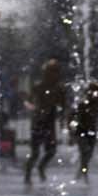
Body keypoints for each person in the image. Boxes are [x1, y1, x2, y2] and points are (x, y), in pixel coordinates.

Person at [24, 58, 64, 187]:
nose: (54, 74)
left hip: (50, 122)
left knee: (51, 151)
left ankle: (41, 167)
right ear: (45, 72)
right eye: (51, 71)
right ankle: (28, 175)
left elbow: (64, 106)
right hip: (38, 121)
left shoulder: (59, 88)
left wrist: (64, 119)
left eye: (56, 72)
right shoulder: (38, 87)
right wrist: (34, 108)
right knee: (35, 152)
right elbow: (28, 101)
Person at [71, 79, 98, 179]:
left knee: (88, 154)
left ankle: (82, 171)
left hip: (92, 131)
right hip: (81, 131)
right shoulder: (83, 103)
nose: (94, 94)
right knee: (85, 151)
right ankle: (84, 173)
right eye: (92, 91)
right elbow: (73, 116)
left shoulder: (97, 103)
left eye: (96, 92)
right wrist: (72, 131)